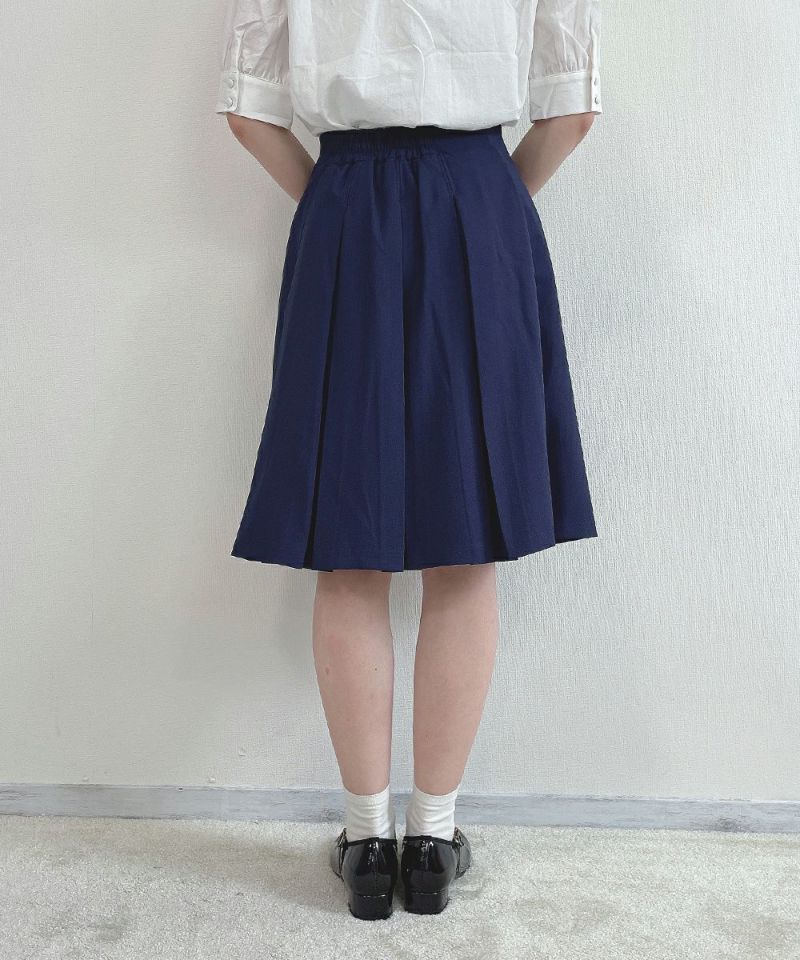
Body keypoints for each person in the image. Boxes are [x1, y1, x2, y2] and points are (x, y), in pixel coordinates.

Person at [215, 0, 602, 920]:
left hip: (345, 205)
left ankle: (366, 842)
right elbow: (574, 107)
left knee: (348, 545)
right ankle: (431, 840)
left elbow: (247, 107)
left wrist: (340, 206)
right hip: (481, 198)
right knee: (465, 546)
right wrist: (483, 205)